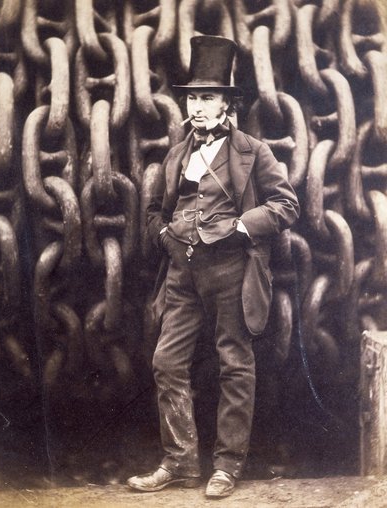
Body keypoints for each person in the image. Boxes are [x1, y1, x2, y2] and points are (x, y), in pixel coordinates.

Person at [127, 35, 299, 498]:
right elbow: (155, 211)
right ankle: (180, 462)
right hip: (182, 274)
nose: (198, 107)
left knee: (234, 364)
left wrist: (241, 227)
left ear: (227, 103)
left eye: (208, 97)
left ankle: (227, 466)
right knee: (166, 362)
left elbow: (287, 205)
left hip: (231, 272)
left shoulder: (253, 152)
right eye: (193, 98)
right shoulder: (176, 154)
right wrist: (165, 237)